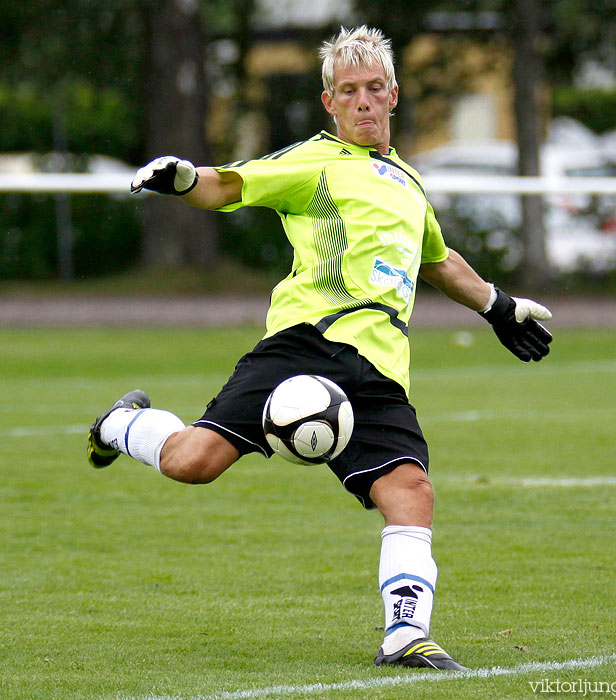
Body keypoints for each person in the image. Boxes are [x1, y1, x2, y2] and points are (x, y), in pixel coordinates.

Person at [87, 25, 552, 671]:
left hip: (380, 367)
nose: (362, 101)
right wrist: (185, 176)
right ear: (329, 102)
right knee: (194, 461)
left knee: (411, 490)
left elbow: (438, 262)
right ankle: (120, 423)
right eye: (347, 91)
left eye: (373, 89)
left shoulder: (409, 183)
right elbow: (228, 185)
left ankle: (405, 635)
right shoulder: (311, 162)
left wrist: (500, 307)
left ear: (393, 94)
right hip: (303, 345)